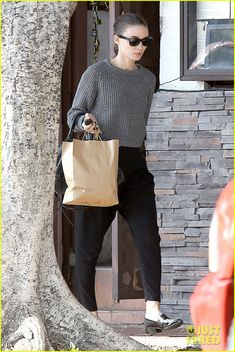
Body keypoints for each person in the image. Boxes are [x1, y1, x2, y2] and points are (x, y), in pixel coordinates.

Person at [67, 12, 183, 334]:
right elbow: (73, 113)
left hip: (134, 166)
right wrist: (83, 121)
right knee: (88, 245)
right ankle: (90, 318)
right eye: (134, 41)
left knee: (149, 238)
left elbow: (141, 121)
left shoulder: (147, 80)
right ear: (116, 40)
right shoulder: (97, 74)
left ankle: (152, 313)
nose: (141, 47)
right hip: (101, 163)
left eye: (146, 41)